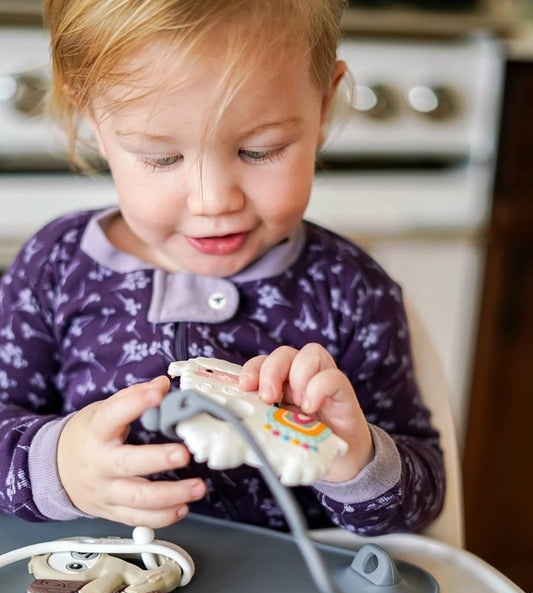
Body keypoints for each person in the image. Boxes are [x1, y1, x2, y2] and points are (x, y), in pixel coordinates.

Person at [0, 0, 444, 536]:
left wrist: (354, 456)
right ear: (90, 118)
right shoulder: (55, 268)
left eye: (260, 150)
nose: (213, 201)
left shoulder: (351, 292)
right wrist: (59, 465)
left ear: (323, 105)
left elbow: (425, 498)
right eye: (162, 158)